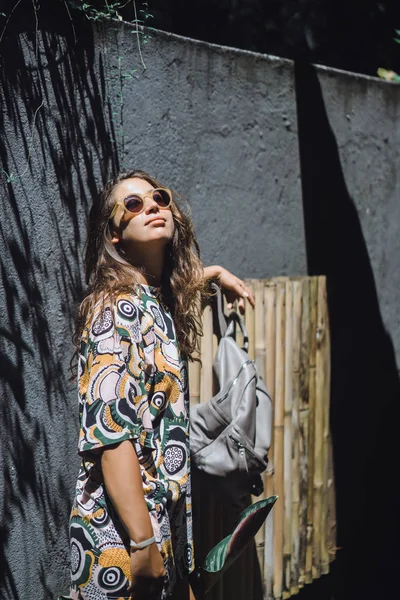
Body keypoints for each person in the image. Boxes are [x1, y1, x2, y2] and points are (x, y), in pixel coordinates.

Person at [68, 169, 254, 600]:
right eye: (132, 204)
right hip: (120, 537)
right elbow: (111, 434)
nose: (151, 205)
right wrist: (143, 542)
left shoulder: (150, 303)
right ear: (114, 235)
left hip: (157, 528)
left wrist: (216, 273)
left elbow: (175, 289)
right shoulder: (112, 311)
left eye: (158, 198)